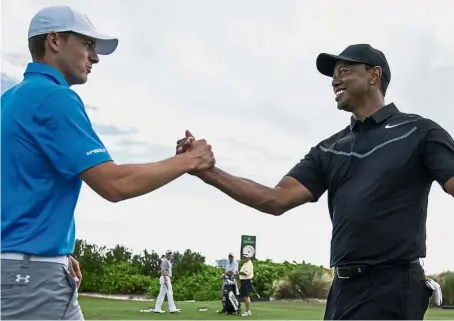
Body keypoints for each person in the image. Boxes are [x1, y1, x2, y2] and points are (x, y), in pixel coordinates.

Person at [176, 44, 454, 319]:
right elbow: (275, 199)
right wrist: (208, 172)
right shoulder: (330, 148)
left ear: (374, 75)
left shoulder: (418, 131)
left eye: (344, 71)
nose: (335, 81)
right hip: (343, 289)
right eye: (334, 75)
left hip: (393, 286)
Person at [1, 5, 214, 320]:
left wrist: (57, 249)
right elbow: (114, 184)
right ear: (55, 41)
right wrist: (189, 161)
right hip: (31, 277)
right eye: (87, 44)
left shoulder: (10, 100)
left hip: (28, 267)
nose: (95, 57)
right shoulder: (55, 98)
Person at [238, 252, 254, 317]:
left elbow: (246, 273)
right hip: (244, 282)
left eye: (246, 257)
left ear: (249, 257)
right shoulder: (245, 263)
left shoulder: (249, 264)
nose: (244, 258)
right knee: (245, 297)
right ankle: (248, 310)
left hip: (246, 281)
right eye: (244, 257)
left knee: (246, 297)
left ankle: (248, 311)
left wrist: (238, 272)